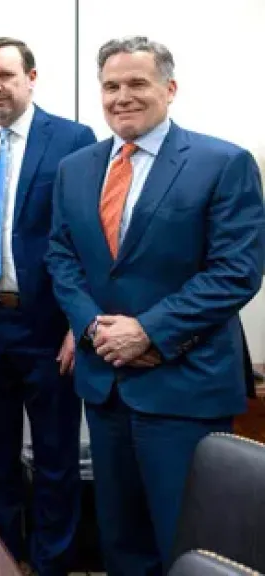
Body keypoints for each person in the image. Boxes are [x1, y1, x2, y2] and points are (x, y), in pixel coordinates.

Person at [46, 36, 265, 575]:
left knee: (188, 545)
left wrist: (148, 331)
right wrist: (92, 327)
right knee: (122, 542)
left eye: (136, 83)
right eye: (111, 86)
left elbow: (236, 271)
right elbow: (61, 255)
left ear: (169, 88)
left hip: (184, 385)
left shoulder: (223, 163)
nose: (122, 96)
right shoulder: (76, 168)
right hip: (106, 385)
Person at [0, 37, 97, 575]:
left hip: (50, 326)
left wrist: (80, 323)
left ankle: (52, 566)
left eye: (5, 75)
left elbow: (89, 239)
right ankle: (2, 560)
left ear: (31, 77)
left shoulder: (74, 140)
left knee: (55, 459)